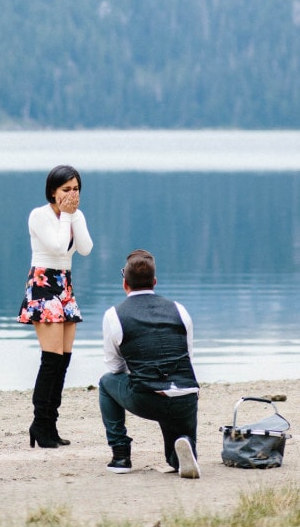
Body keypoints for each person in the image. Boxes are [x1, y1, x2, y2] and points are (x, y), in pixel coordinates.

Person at [99, 249, 200, 478]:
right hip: (186, 395)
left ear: (125, 283)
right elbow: (187, 357)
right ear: (154, 282)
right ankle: (183, 448)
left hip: (148, 397)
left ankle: (121, 455)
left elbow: (115, 368)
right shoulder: (179, 310)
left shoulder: (114, 316)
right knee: (176, 456)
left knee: (106, 383)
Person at [17, 164, 93, 448]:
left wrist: (74, 217)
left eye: (76, 189)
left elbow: (84, 248)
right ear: (53, 191)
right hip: (43, 283)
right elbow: (59, 247)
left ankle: (50, 423)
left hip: (65, 284)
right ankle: (40, 424)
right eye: (66, 190)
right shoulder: (39, 215)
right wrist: (67, 217)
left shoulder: (75, 215)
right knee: (50, 360)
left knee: (63, 360)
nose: (72, 195)